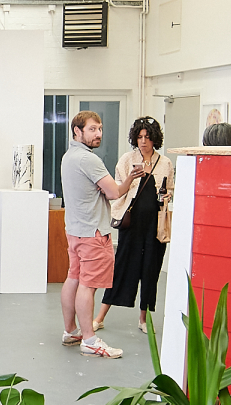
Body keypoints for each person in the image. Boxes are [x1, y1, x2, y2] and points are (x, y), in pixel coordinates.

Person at [59, 110, 144, 359]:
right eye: (93, 129)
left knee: (73, 279)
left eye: (100, 129)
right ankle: (89, 339)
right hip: (93, 233)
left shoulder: (69, 156)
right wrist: (131, 178)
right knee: (89, 285)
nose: (98, 134)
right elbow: (115, 192)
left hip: (75, 231)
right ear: (77, 131)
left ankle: (70, 331)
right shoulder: (89, 160)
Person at [93, 116, 173, 334]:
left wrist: (166, 194)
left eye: (147, 137)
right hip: (131, 223)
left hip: (154, 225)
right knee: (121, 268)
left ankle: (144, 319)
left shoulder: (164, 162)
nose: (143, 141)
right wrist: (131, 177)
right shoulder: (127, 160)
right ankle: (100, 316)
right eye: (139, 137)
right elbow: (117, 188)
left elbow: (170, 190)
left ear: (155, 138)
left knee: (151, 270)